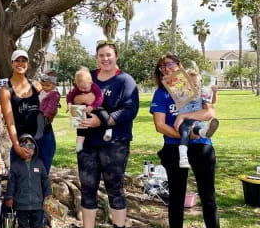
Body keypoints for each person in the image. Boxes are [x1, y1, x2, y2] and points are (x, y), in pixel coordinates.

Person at [150, 53, 219, 228]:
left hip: (201, 146)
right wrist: (184, 136)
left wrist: (186, 115)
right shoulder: (161, 94)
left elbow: (209, 113)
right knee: (176, 198)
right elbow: (160, 125)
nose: (166, 68)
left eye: (170, 64)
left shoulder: (194, 84)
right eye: (162, 67)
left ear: (179, 65)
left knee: (208, 197)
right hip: (174, 148)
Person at [78, 41, 139, 228]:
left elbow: (130, 110)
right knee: (88, 188)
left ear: (116, 56)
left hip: (116, 142)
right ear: (96, 58)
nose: (105, 59)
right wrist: (79, 105)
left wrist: (102, 121)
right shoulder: (90, 78)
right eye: (101, 55)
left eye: (108, 55)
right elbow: (75, 96)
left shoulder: (125, 81)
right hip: (88, 142)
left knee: (114, 188)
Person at [0, 50, 56, 174]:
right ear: (12, 63)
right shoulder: (6, 90)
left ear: (28, 64)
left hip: (45, 137)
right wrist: (16, 145)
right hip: (23, 141)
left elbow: (48, 107)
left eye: (23, 60)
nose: (20, 63)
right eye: (17, 60)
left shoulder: (36, 85)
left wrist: (52, 110)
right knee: (21, 178)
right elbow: (10, 123)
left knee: (42, 176)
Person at [5, 134, 52, 228]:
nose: (28, 148)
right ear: (19, 149)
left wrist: (48, 193)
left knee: (38, 225)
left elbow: (45, 179)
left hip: (37, 204)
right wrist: (9, 197)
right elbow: (11, 183)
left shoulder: (39, 163)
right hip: (21, 204)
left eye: (31, 146)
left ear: (35, 149)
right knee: (23, 226)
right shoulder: (15, 165)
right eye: (23, 145)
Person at [176, 67, 220, 168]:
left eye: (196, 84)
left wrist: (214, 93)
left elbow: (211, 102)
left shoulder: (201, 93)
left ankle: (204, 132)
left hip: (196, 119)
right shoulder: (182, 93)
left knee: (198, 126)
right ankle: (183, 157)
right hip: (184, 120)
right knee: (185, 130)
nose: (194, 87)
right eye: (191, 84)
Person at [66, 67, 105, 153]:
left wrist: (92, 106)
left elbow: (100, 97)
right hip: (82, 110)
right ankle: (79, 144)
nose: (83, 90)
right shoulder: (76, 89)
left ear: (90, 82)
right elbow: (69, 96)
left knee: (104, 115)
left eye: (85, 88)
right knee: (81, 127)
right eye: (81, 88)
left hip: (94, 108)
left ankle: (108, 129)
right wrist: (69, 104)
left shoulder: (95, 87)